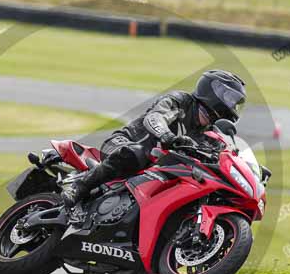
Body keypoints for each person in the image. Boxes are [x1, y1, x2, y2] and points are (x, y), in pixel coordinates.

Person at [61, 68, 246, 209]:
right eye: (230, 98)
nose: (233, 106)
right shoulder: (180, 101)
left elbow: (223, 154)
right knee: (135, 153)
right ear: (213, 91)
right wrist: (169, 137)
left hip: (156, 168)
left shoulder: (209, 131)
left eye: (236, 103)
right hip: (125, 143)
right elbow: (155, 118)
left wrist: (250, 170)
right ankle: (79, 186)